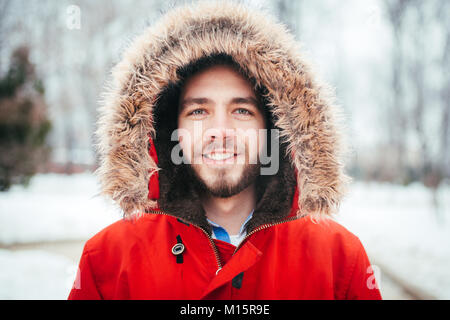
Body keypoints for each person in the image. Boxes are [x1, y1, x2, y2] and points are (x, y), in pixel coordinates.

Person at [68, 1, 382, 300]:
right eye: (198, 112)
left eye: (242, 111)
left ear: (273, 129)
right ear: (169, 131)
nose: (220, 130)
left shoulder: (338, 259)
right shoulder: (108, 259)